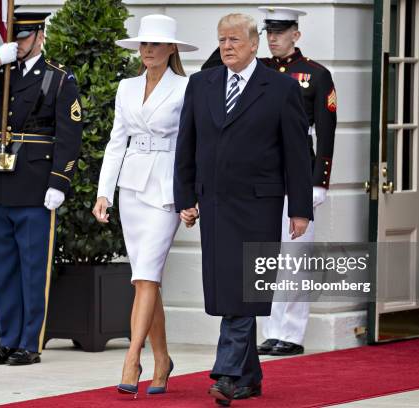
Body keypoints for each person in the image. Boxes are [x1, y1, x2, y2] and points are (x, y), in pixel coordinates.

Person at [174, 13, 312, 406]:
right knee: (227, 289)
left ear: (254, 44)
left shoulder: (282, 88)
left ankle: (228, 373)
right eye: (222, 40)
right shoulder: (202, 84)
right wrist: (185, 198)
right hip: (214, 204)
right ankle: (250, 377)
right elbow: (187, 144)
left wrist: (299, 209)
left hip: (259, 205)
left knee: (244, 288)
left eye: (235, 39)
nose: (227, 46)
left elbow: (297, 155)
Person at [202, 7, 338, 357]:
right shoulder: (254, 68)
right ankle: (269, 330)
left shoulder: (315, 74)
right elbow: (208, 74)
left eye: (282, 32)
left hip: (297, 175)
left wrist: (318, 182)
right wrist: (233, 43)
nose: (274, 38)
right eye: (269, 32)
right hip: (261, 181)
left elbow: (325, 130)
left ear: (296, 34)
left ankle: (289, 332)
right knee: (262, 258)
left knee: (294, 257)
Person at [0, 12, 82, 365]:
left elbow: (69, 137)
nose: (18, 43)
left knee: (32, 268)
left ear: (40, 36)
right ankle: (7, 339)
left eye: (25, 37)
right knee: (2, 268)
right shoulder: (2, 72)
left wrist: (59, 181)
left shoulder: (59, 79)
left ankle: (30, 342)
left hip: (33, 184)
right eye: (13, 37)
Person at [93, 14, 198, 396]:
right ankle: (163, 359)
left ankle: (132, 357)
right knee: (144, 279)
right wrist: (104, 192)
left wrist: (192, 196)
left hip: (168, 191)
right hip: (132, 190)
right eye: (143, 44)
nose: (148, 50)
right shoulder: (126, 87)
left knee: (147, 276)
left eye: (155, 44)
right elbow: (115, 142)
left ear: (171, 49)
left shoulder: (187, 88)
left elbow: (194, 145)